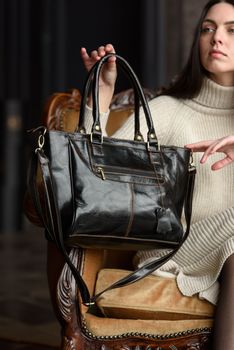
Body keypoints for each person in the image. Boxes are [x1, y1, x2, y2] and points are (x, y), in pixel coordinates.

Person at [81, 1, 234, 349]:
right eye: (208, 28)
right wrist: (101, 96)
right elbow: (95, 173)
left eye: (231, 30)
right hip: (176, 249)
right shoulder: (167, 110)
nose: (216, 39)